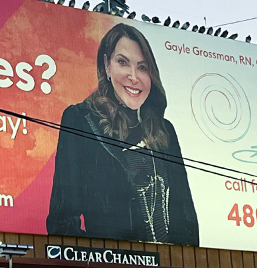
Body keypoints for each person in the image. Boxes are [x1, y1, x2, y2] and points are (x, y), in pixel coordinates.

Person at [46, 23, 199, 246]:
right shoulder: (81, 120)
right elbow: (62, 220)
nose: (133, 76)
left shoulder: (165, 131)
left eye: (143, 67)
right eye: (122, 62)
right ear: (106, 65)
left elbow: (186, 219)